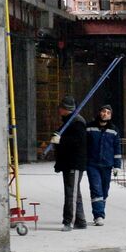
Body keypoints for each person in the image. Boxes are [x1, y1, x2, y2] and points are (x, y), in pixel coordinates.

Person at [51, 96, 89, 231]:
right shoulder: (68, 122)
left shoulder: (77, 122)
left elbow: (77, 143)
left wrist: (60, 140)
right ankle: (81, 220)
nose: (58, 110)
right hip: (68, 163)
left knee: (71, 193)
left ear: (65, 109)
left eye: (60, 108)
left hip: (75, 163)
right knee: (74, 192)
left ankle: (69, 222)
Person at [86, 104, 123, 226]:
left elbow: (117, 149)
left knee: (104, 191)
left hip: (107, 165)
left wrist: (117, 166)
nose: (105, 114)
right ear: (99, 113)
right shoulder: (90, 127)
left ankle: (100, 209)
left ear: (110, 115)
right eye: (103, 111)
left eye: (108, 112)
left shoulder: (114, 130)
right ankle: (98, 215)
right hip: (92, 164)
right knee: (96, 189)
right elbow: (83, 144)